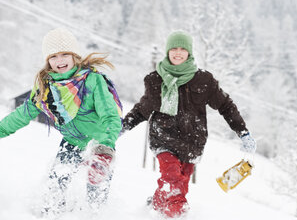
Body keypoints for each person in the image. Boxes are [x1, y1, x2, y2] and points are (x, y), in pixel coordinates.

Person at [122, 31, 256, 218]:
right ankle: (178, 214)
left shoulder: (204, 80)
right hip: (163, 139)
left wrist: (243, 132)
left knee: (179, 185)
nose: (178, 53)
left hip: (191, 142)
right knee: (172, 178)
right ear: (167, 51)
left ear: (189, 53)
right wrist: (121, 127)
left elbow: (225, 105)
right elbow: (142, 109)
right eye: (174, 49)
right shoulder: (155, 79)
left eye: (182, 49)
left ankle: (156, 205)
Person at [0, 27, 123, 216]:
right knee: (56, 184)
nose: (60, 61)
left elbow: (110, 115)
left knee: (96, 188)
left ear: (75, 56)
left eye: (65, 54)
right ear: (47, 61)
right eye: (54, 56)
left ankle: (96, 215)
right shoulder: (45, 87)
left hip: (99, 144)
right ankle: (51, 214)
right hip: (72, 142)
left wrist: (105, 146)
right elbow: (22, 114)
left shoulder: (92, 80)